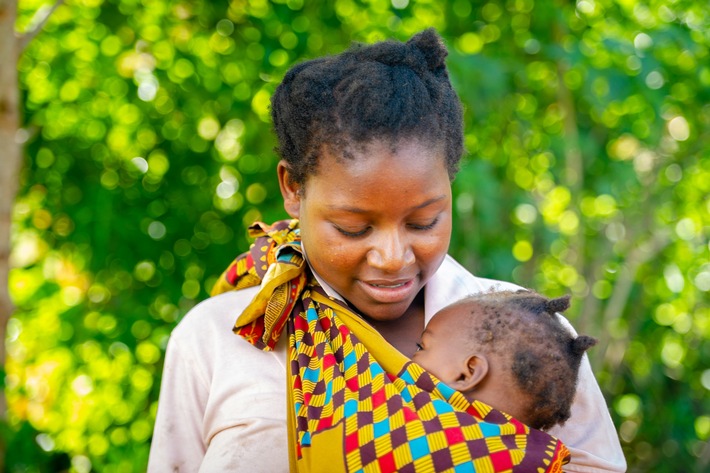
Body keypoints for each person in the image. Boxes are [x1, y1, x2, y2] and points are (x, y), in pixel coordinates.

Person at [148, 29, 626, 472]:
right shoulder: (215, 339)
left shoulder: (529, 337)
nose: (393, 257)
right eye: (353, 228)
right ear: (293, 189)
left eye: (423, 222)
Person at [411, 290, 597, 432]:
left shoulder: (411, 429)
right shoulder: (536, 461)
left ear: (467, 372)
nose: (409, 357)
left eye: (422, 347)